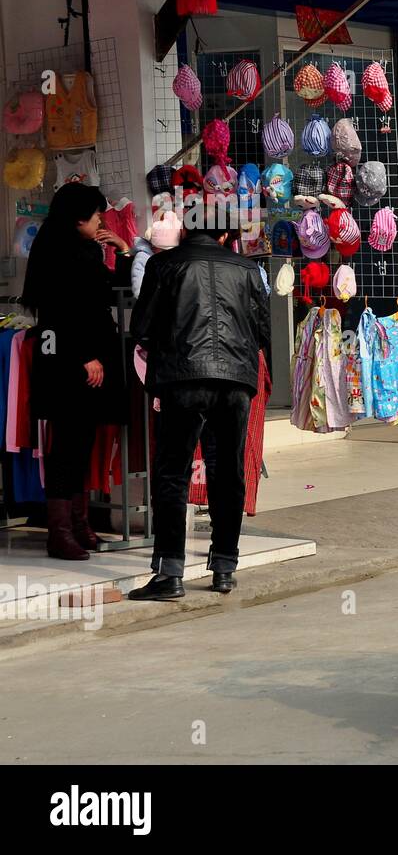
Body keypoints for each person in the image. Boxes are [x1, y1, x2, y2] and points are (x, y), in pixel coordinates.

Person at [128, 223, 272, 599]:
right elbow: (262, 330)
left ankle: (169, 574)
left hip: (182, 378)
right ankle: (224, 567)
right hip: (235, 380)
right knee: (228, 472)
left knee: (171, 473)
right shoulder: (247, 269)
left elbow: (140, 327)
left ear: (185, 232)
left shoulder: (163, 266)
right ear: (225, 235)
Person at [20, 183, 131, 560]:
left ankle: (79, 524)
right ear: (79, 217)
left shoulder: (83, 249)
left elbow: (104, 292)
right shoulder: (58, 253)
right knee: (67, 445)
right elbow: (59, 313)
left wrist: (124, 249)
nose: (101, 219)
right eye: (97, 214)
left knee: (82, 443)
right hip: (70, 364)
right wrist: (85, 356)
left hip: (84, 361)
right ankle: (61, 531)